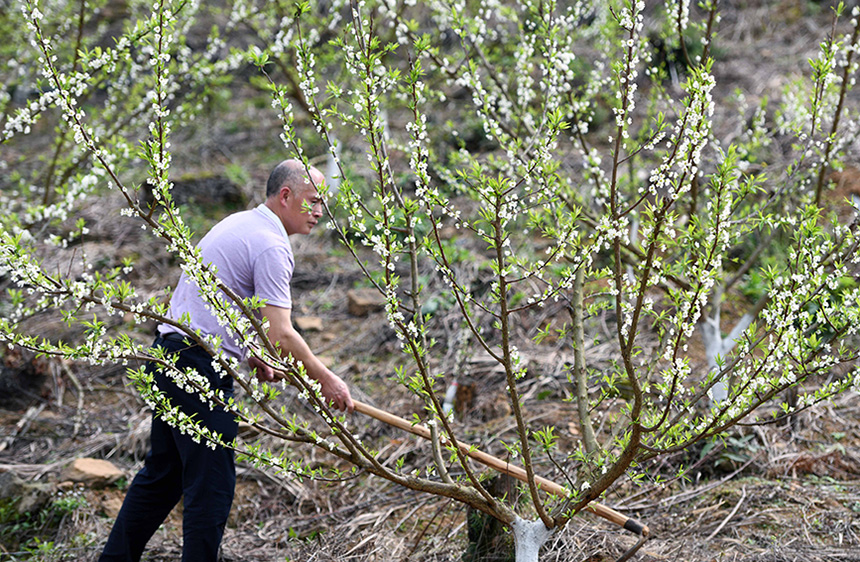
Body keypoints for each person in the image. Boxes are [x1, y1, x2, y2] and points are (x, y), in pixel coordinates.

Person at [99, 159, 354, 562]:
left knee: (163, 478)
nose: (320, 212)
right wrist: (326, 378)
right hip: (196, 370)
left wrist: (250, 351)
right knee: (211, 488)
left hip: (168, 356)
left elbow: (217, 299)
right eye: (313, 201)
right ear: (285, 196)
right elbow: (282, 334)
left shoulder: (241, 223)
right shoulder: (271, 244)